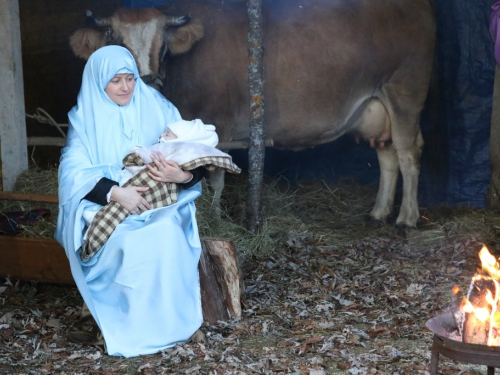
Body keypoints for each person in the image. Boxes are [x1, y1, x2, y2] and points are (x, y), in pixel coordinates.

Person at [55, 45, 205, 357]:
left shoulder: (157, 105)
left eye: (130, 78)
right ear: (99, 82)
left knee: (165, 234)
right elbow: (72, 171)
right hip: (107, 203)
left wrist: (182, 177)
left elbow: (193, 151)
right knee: (128, 242)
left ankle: (169, 323)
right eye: (116, 81)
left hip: (158, 203)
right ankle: (126, 323)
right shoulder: (85, 117)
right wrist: (115, 193)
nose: (126, 87)